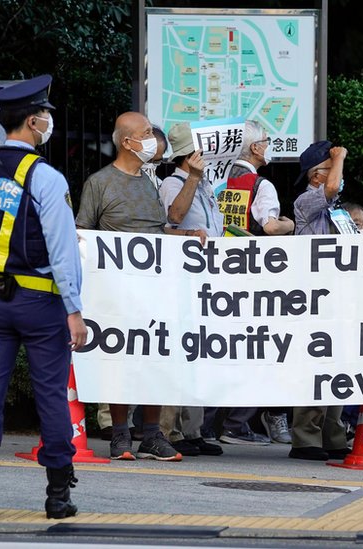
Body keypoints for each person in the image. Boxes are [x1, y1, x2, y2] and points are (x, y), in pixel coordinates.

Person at [0, 75, 85, 520]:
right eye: (46, 116)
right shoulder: (47, 178)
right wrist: (74, 310)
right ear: (32, 121)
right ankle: (57, 495)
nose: (49, 122)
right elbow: (63, 249)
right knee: (51, 393)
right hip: (41, 302)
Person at [75, 112, 182, 461]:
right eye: (147, 132)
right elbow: (83, 234)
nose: (153, 138)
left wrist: (184, 237)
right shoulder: (99, 183)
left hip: (157, 287)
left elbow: (157, 231)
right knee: (120, 359)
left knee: (158, 357)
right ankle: (120, 434)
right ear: (127, 142)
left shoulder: (149, 181)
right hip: (115, 291)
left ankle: (151, 433)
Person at [208, 120, 294, 444]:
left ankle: (208, 425)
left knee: (217, 350)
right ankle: (237, 423)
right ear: (256, 148)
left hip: (218, 275)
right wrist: (290, 224)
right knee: (254, 351)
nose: (268, 148)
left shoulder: (219, 182)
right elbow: (270, 228)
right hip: (253, 277)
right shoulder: (262, 186)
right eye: (267, 142)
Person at [157, 122, 224, 458]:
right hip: (182, 277)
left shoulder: (205, 184)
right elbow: (173, 218)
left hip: (205, 277)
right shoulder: (173, 183)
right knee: (182, 352)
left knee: (198, 353)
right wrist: (193, 178)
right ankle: (171, 431)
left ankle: (192, 429)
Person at [289, 140, 352, 461]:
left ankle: (333, 432)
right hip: (312, 301)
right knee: (314, 367)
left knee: (335, 368)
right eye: (331, 169)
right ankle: (305, 436)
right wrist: (338, 157)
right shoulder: (306, 202)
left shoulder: (337, 211)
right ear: (317, 175)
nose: (339, 176)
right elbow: (330, 189)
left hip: (337, 299)